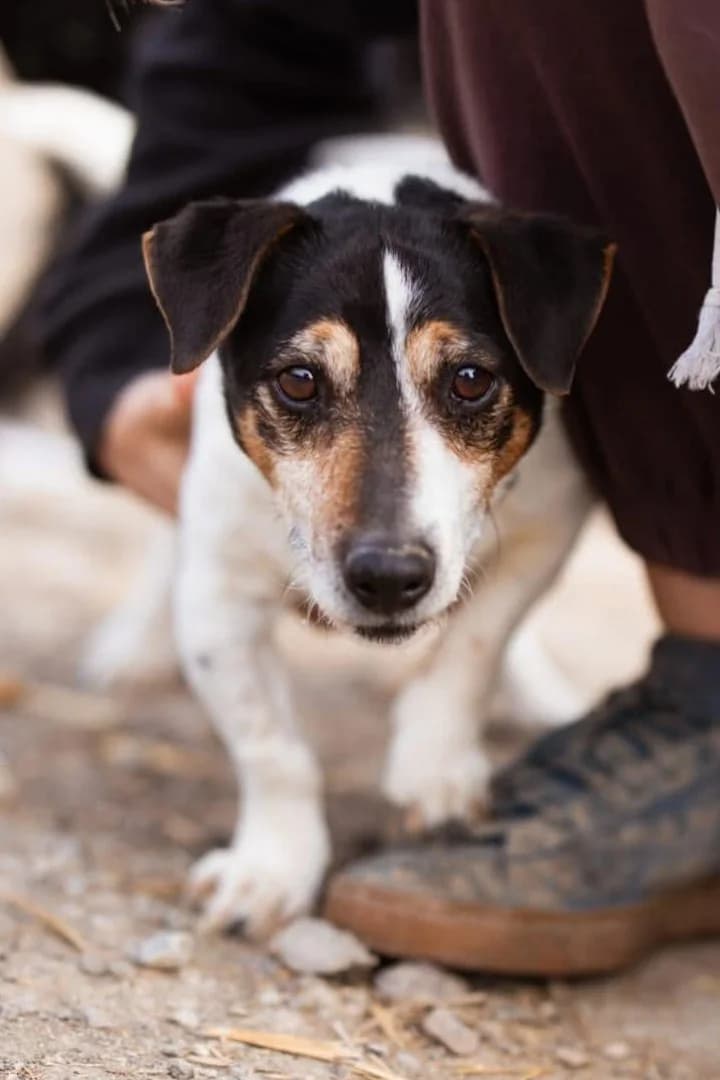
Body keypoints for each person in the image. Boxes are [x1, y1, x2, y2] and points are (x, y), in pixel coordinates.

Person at [41, 0, 720, 974]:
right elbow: (232, 52)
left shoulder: (526, 287)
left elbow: (542, 522)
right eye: (304, 386)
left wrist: (454, 695)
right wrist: (276, 805)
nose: (384, 527)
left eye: (469, 384)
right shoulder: (235, 317)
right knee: (212, 562)